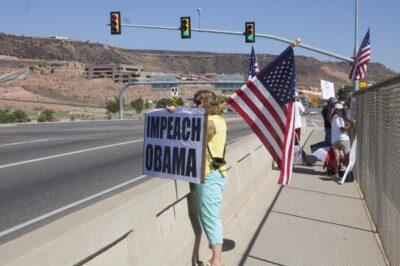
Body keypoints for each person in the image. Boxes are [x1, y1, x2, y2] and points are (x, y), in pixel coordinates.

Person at [167, 90, 227, 266]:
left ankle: (217, 261)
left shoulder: (214, 121)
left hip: (210, 176)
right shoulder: (214, 119)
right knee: (207, 214)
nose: (195, 106)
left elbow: (199, 126)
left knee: (210, 216)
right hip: (202, 174)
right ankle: (214, 254)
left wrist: (177, 113)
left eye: (198, 103)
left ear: (207, 104)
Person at [330, 103, 354, 178]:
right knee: (346, 157)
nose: (341, 111)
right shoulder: (337, 118)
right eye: (339, 110)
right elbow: (342, 129)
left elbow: (345, 123)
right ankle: (348, 173)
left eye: (341, 110)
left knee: (336, 157)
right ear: (336, 110)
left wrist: (348, 121)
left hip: (335, 140)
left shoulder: (335, 117)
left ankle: (336, 173)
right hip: (343, 140)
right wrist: (351, 124)